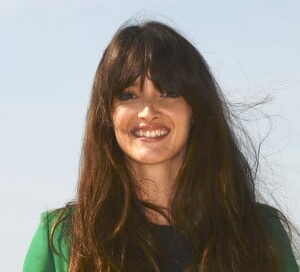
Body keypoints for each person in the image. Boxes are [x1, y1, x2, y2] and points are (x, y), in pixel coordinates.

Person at [23, 20, 299, 271]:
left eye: (168, 93)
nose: (148, 111)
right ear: (107, 114)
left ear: (196, 110)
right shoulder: (61, 240)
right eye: (129, 95)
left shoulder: (260, 232)